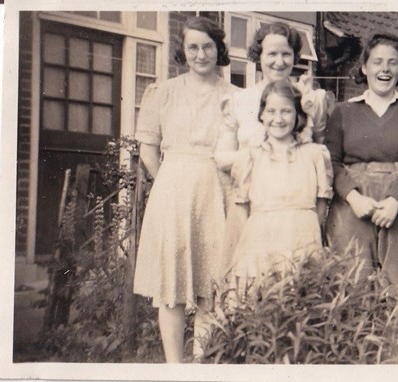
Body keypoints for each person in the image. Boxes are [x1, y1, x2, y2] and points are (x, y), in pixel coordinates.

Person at [132, 16, 237, 363]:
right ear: (183, 50)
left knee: (211, 285)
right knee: (171, 287)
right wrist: (167, 180)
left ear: (218, 49)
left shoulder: (234, 97)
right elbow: (148, 147)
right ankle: (175, 366)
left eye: (208, 46)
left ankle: (202, 362)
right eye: (193, 46)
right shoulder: (162, 93)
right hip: (173, 191)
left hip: (217, 191)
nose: (201, 54)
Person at [215, 21, 330, 277]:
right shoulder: (240, 100)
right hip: (253, 207)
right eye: (272, 54)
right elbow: (221, 157)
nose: (279, 61)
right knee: (250, 284)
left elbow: (319, 151)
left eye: (286, 53)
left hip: (296, 213)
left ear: (294, 56)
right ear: (259, 56)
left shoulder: (309, 99)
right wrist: (262, 157)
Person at [324, 33, 398, 291]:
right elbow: (331, 160)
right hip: (354, 207)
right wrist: (353, 198)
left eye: (392, 62)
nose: (384, 69)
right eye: (377, 62)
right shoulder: (343, 111)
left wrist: (395, 200)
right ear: (364, 67)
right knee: (351, 286)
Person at [228, 80, 333, 299]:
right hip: (261, 241)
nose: (278, 118)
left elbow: (322, 206)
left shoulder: (315, 154)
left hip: (303, 238)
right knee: (260, 302)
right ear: (262, 115)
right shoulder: (252, 156)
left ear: (298, 116)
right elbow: (241, 209)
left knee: (301, 304)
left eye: (286, 111)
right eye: (271, 111)